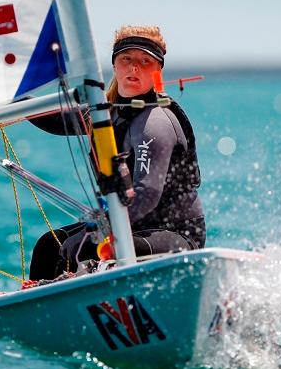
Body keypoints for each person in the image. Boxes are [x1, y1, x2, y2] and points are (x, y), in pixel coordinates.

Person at [29, 26, 206, 280]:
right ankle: (38, 309)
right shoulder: (105, 114)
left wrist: (99, 232)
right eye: (127, 59)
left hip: (175, 235)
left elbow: (147, 194)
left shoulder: (156, 122)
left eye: (145, 61)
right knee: (50, 246)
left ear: (157, 71)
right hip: (130, 227)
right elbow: (56, 120)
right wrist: (12, 101)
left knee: (91, 247)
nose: (134, 68)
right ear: (115, 66)